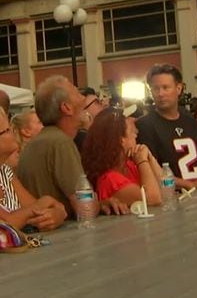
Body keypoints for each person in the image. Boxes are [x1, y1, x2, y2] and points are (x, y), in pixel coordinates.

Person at [17, 76, 128, 218]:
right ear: (66, 108)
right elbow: (85, 208)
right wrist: (97, 204)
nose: (83, 99)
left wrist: (99, 204)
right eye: (77, 93)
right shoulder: (61, 143)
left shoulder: (37, 143)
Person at [0, 100, 67, 231]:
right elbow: (3, 223)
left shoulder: (2, 170)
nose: (13, 132)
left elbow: (36, 209)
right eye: (7, 130)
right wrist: (44, 203)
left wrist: (56, 213)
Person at [136, 64, 197, 189]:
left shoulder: (191, 123)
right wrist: (192, 185)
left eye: (165, 87)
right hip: (172, 197)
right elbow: (154, 173)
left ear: (178, 88)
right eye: (155, 89)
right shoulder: (145, 125)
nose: (160, 93)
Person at [81, 108, 163, 207]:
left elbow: (165, 186)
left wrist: (149, 156)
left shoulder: (128, 165)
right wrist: (142, 161)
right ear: (121, 139)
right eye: (132, 132)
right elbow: (153, 199)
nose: (136, 135)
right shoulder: (110, 180)